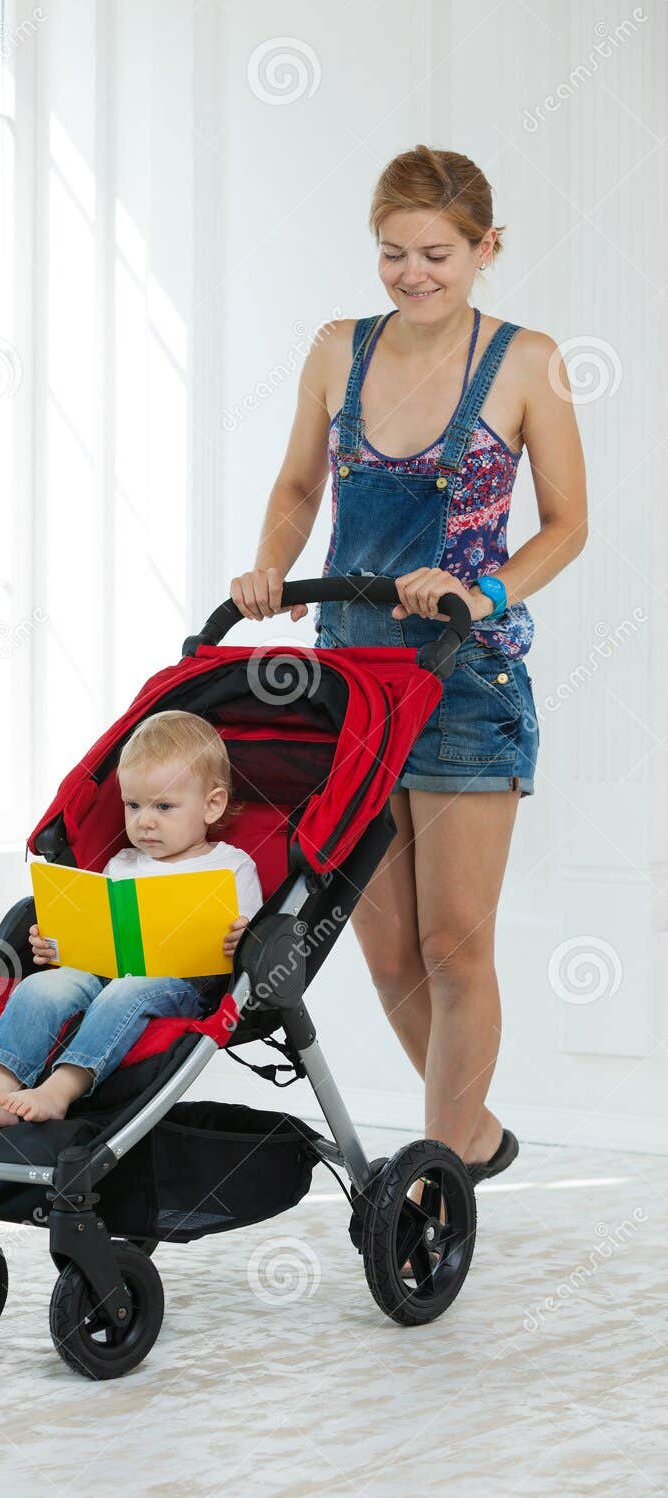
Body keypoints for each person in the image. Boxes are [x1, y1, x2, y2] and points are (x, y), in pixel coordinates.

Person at [230, 144, 588, 1184]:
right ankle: (465, 1135)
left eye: (434, 252)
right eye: (391, 253)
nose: (411, 273)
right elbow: (299, 490)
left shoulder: (527, 361)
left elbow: (566, 526)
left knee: (450, 945)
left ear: (484, 247)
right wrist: (265, 567)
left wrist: (481, 591)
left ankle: (434, 1164)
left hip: (463, 681)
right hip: (349, 681)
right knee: (382, 950)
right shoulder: (336, 349)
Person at [0, 711, 263, 1135]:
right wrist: (56, 944)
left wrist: (242, 937)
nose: (145, 821)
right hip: (102, 970)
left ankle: (59, 1090)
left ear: (211, 804)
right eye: (134, 805)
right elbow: (94, 929)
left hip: (181, 984)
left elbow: (255, 940)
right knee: (42, 985)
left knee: (127, 991)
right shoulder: (121, 864)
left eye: (164, 806)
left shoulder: (231, 867)